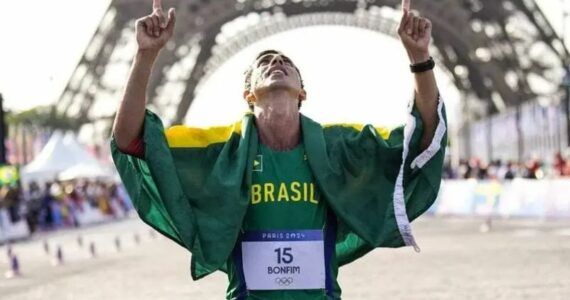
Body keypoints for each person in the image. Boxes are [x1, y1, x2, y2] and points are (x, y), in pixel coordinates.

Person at [111, 0, 447, 298]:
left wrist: (420, 59)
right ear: (248, 95)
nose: (276, 61)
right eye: (265, 61)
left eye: (286, 61)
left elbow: (421, 140)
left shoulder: (339, 147)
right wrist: (146, 55)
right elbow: (129, 139)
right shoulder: (220, 150)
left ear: (303, 92)